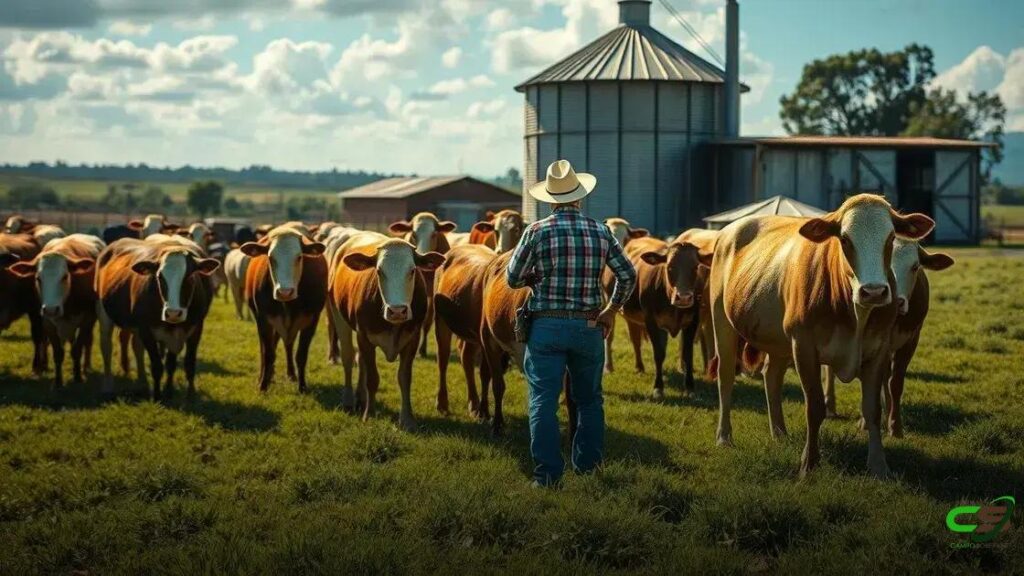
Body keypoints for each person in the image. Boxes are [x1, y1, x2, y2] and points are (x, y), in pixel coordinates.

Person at [506, 159, 637, 487]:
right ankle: (589, 470)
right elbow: (628, 275)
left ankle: (547, 476)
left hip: (546, 327)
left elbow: (512, 278)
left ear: (550, 199)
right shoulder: (601, 231)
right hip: (590, 326)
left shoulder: (536, 231)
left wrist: (535, 277)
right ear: (580, 197)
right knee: (590, 400)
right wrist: (611, 309)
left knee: (542, 401)